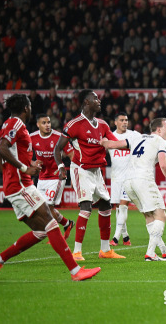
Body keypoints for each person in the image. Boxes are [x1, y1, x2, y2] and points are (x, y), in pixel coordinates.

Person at [0, 94, 100, 281]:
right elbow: (1, 150)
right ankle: (75, 271)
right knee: (50, 222)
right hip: (21, 186)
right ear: (26, 108)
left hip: (18, 184)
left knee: (41, 231)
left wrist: (11, 172)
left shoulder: (8, 124)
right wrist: (24, 169)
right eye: (30, 106)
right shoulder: (16, 124)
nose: (31, 109)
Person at [53, 89, 125, 261]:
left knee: (106, 205)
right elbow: (58, 148)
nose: (99, 100)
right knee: (86, 207)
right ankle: (77, 252)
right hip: (81, 170)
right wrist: (61, 166)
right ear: (86, 102)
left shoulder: (102, 125)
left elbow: (114, 142)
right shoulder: (74, 124)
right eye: (95, 98)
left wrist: (131, 145)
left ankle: (105, 250)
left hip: (96, 171)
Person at [101, 118, 166, 261]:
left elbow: (113, 144)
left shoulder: (138, 137)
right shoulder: (161, 141)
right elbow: (164, 165)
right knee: (161, 215)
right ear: (159, 130)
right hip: (143, 180)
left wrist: (101, 141)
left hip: (128, 182)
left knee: (149, 216)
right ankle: (150, 253)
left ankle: (164, 251)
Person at [30, 114, 75, 239]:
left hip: (57, 177)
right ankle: (67, 223)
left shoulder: (59, 137)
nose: (47, 125)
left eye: (48, 122)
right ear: (38, 124)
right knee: (41, 209)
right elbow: (23, 154)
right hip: (42, 178)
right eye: (44, 123)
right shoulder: (31, 138)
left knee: (48, 208)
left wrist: (74, 174)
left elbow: (72, 155)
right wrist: (32, 162)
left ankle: (56, 237)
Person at [108, 112, 143, 246]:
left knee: (123, 206)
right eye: (122, 120)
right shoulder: (110, 136)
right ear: (115, 122)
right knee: (118, 208)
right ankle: (126, 237)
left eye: (126, 120)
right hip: (116, 177)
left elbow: (147, 142)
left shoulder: (134, 135)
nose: (125, 122)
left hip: (130, 177)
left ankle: (115, 238)